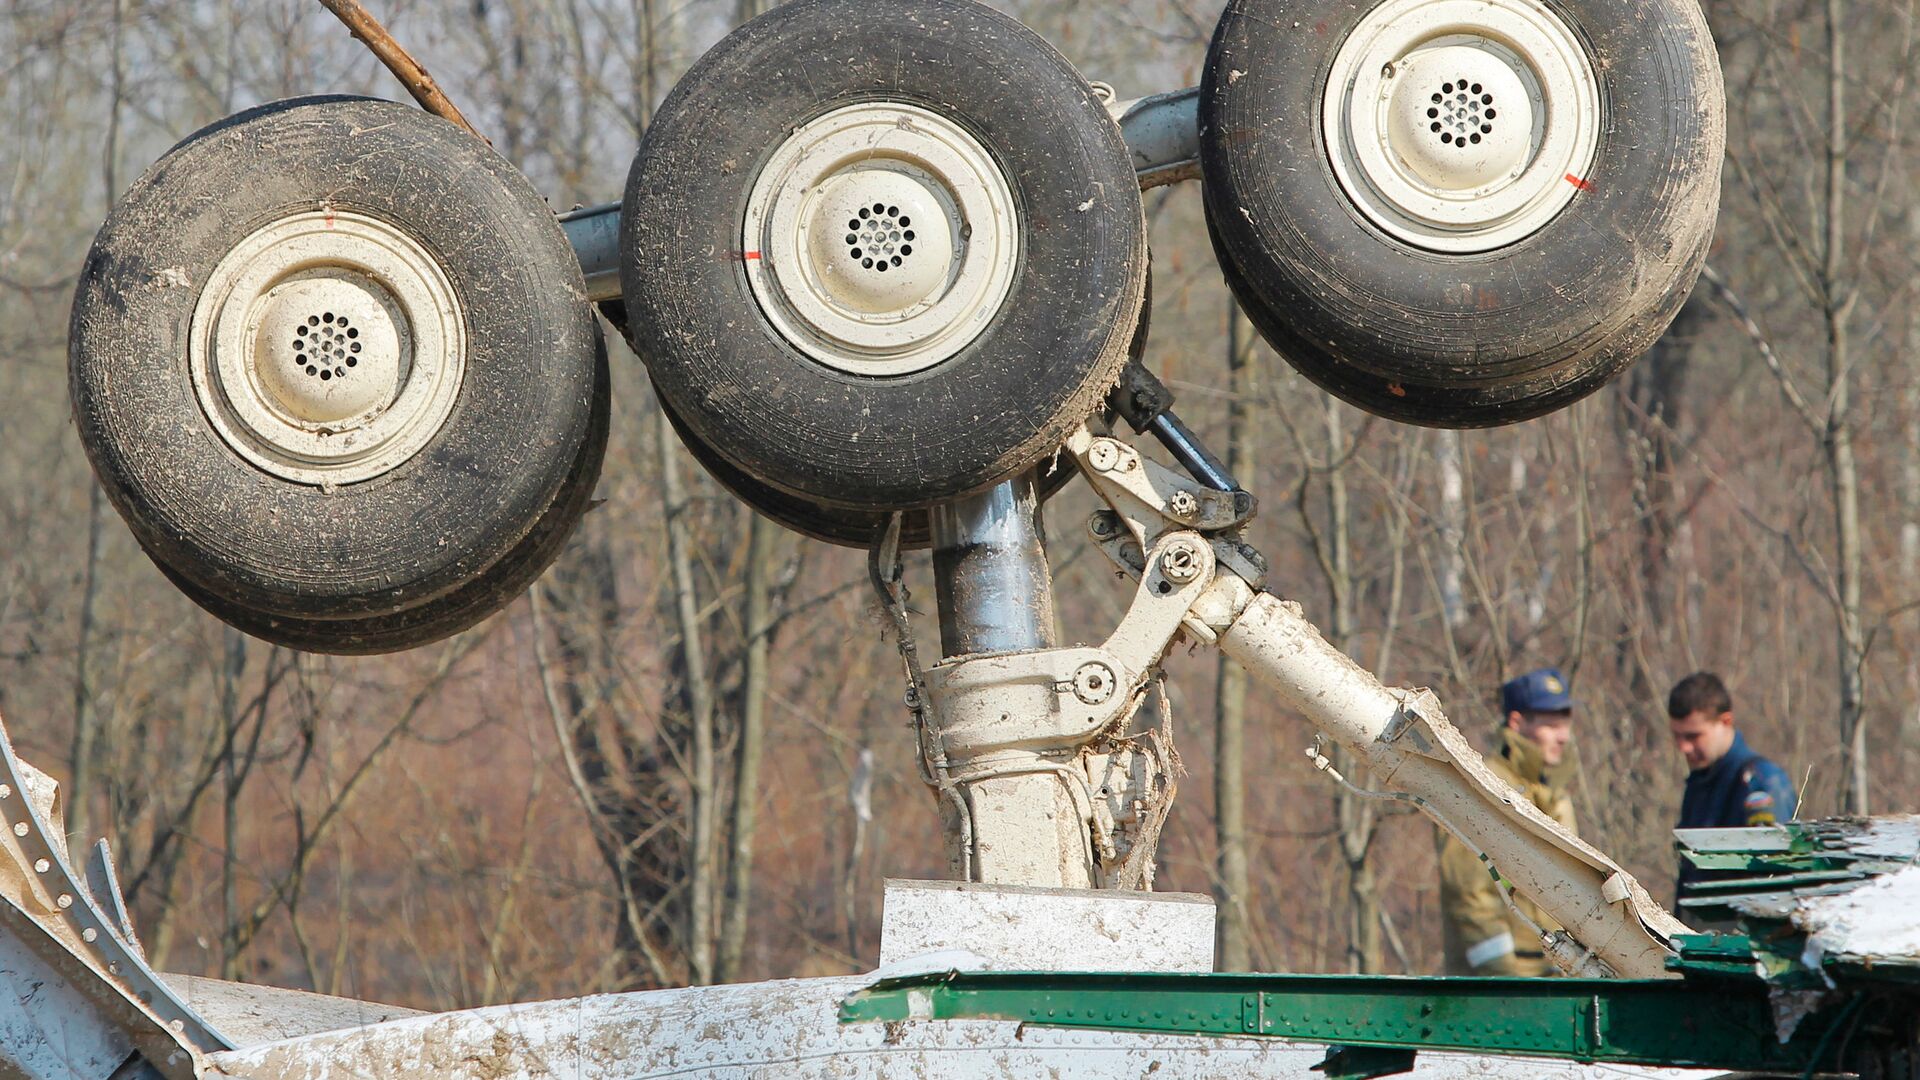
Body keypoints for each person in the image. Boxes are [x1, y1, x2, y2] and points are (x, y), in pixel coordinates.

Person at [1438, 667, 1579, 976]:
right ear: (1517, 723)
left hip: (1556, 975)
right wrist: (1502, 980)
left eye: (1565, 724)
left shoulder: (1555, 795)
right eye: (1551, 725)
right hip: (1505, 984)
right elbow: (1469, 894)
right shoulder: (1483, 789)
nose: (1563, 736)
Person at [1668, 672, 1797, 902]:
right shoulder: (1700, 783)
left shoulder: (1762, 783)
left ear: (1725, 721)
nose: (1684, 748)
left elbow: (1774, 879)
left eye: (1693, 736)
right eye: (1677, 736)